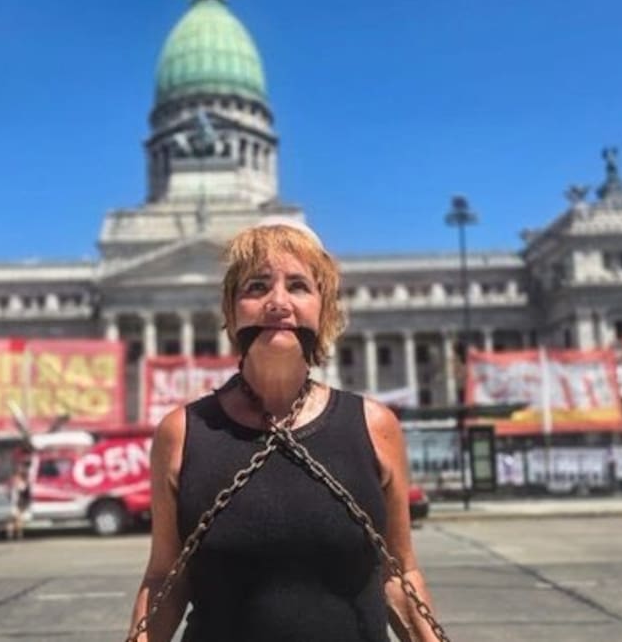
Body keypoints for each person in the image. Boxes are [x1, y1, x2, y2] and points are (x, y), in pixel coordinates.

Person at [127, 220, 444, 642]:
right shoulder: (183, 432)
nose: (278, 302)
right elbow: (166, 578)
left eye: (298, 286)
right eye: (257, 287)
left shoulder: (374, 426)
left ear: (323, 309)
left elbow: (400, 575)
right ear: (231, 312)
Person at [4, 458, 31, 541]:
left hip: (13, 502)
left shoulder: (13, 481)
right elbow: (23, 490)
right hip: (17, 502)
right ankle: (18, 535)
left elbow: (8, 491)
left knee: (12, 519)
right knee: (17, 519)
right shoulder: (20, 481)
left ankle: (11, 535)